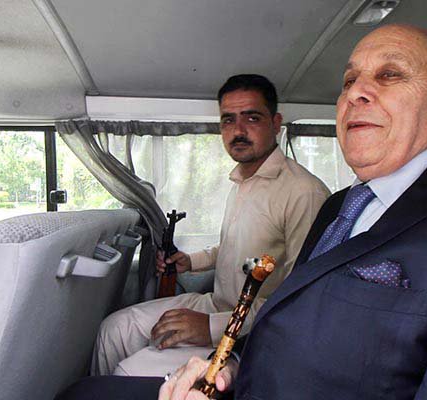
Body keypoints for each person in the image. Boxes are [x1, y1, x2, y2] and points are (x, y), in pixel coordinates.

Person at [57, 24, 427, 400]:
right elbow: (291, 307)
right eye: (349, 81)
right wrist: (227, 369)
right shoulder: (343, 206)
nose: (356, 92)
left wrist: (219, 335)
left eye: (390, 75)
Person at [91, 74, 330, 377]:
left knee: (127, 372)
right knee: (113, 329)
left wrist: (210, 327)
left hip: (251, 332)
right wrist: (190, 262)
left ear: (275, 123)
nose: (238, 131)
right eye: (228, 120)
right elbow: (237, 248)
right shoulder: (241, 182)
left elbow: (303, 299)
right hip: (216, 305)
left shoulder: (304, 193)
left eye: (252, 118)